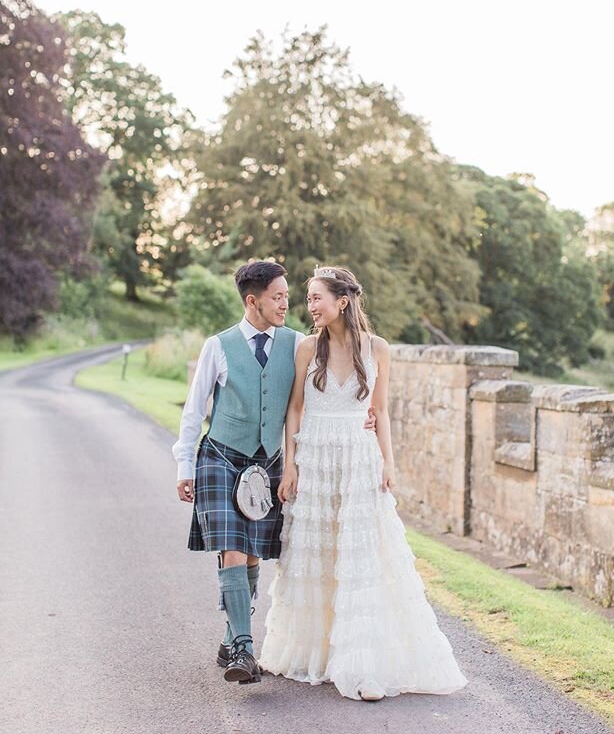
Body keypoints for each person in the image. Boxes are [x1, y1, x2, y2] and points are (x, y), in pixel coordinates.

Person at [260, 266, 468, 701]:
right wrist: (292, 464)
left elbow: (382, 410)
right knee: (316, 554)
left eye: (316, 297)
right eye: (308, 298)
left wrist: (388, 463)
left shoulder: (378, 349)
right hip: (315, 458)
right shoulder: (306, 348)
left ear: (342, 301)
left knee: (361, 558)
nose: (309, 305)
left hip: (359, 457)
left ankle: (361, 664)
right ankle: (310, 651)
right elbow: (294, 410)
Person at [174, 261, 304, 685]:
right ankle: (245, 650)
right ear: (253, 301)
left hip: (268, 463)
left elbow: (309, 402)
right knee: (232, 547)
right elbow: (194, 411)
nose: (286, 303)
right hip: (220, 457)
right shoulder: (218, 345)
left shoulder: (297, 344)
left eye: (287, 295)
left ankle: (231, 636)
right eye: (278, 296)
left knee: (251, 556)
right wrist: (184, 465)